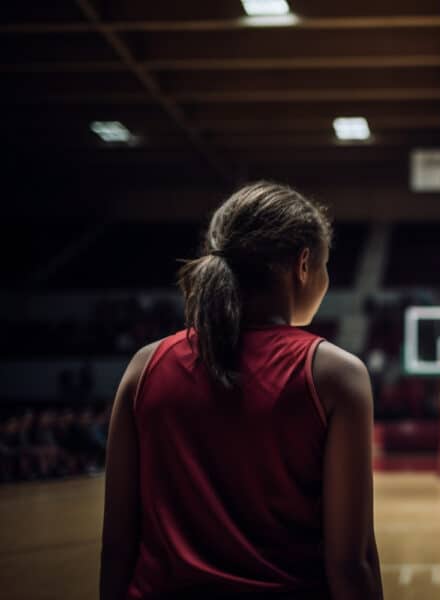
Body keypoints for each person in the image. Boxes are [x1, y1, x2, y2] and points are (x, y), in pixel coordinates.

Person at [100, 182, 383, 600]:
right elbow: (349, 562)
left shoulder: (144, 366)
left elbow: (117, 547)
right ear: (303, 265)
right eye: (325, 265)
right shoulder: (335, 374)